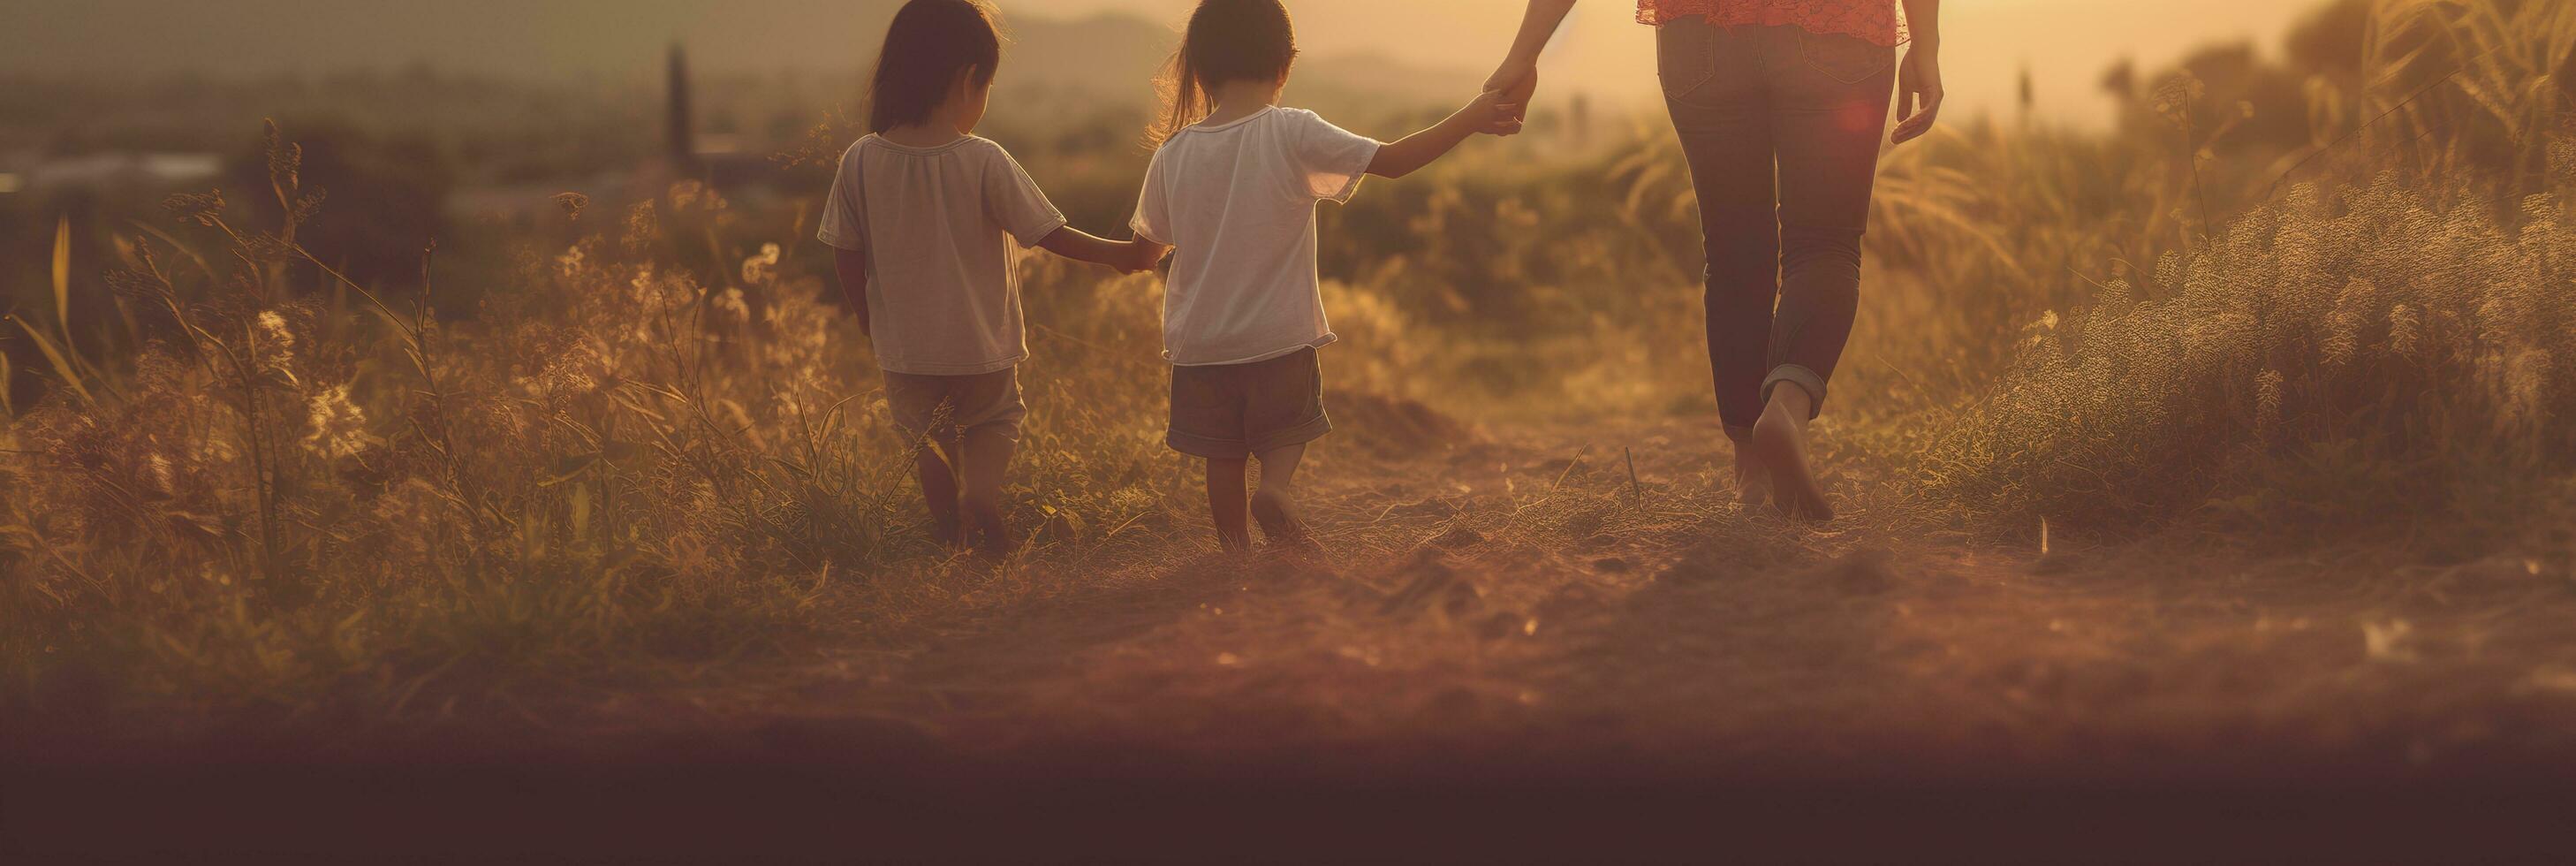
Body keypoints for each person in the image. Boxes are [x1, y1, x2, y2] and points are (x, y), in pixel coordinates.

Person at [1486, 0, 1945, 520]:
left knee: (1733, 248)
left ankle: (1750, 466)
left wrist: (1523, 54)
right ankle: (1787, 409)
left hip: (1700, 37)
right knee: (1825, 242)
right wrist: (1925, 46)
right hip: (1838, 30)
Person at [1126, 0, 1522, 551]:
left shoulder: (1172, 154)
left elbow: (1146, 249)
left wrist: (1070, 245)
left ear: (1199, 68)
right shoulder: (1291, 131)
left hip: (1201, 345)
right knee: (1287, 431)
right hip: (1278, 335)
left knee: (1222, 453)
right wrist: (1472, 118)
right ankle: (1276, 489)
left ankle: (1234, 554)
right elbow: (1393, 160)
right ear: (1284, 63)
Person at [818, 0, 1160, 556]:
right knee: (995, 420)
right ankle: (980, 495)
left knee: (925, 440)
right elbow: (1049, 233)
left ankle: (950, 533)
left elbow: (845, 251)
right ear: (968, 79)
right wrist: (1121, 255)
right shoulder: (981, 159)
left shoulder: (861, 160)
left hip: (904, 346)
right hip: (982, 343)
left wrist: (863, 310)